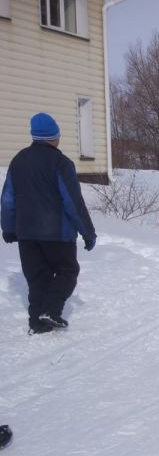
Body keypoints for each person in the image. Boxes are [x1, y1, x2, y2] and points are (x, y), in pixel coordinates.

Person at [1, 113, 96, 334]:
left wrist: (8, 227)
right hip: (57, 232)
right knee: (67, 271)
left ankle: (37, 323)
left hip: (27, 233)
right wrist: (88, 232)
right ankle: (51, 311)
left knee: (37, 277)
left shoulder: (18, 161)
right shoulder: (61, 163)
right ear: (54, 136)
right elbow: (72, 201)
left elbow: (8, 198)